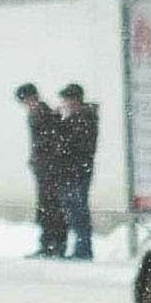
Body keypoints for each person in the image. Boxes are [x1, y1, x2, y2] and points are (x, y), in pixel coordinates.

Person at [16, 82, 67, 257]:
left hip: (50, 169)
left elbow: (49, 142)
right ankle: (47, 244)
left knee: (52, 207)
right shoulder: (38, 115)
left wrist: (42, 159)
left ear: (34, 98)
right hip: (44, 168)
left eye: (28, 101)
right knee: (46, 207)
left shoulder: (45, 114)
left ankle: (55, 245)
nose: (27, 105)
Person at [56, 83, 99, 260]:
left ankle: (84, 248)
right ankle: (81, 247)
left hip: (78, 172)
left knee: (79, 210)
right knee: (74, 211)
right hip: (71, 171)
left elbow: (78, 147)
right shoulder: (75, 119)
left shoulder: (85, 119)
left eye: (67, 100)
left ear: (75, 100)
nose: (65, 104)